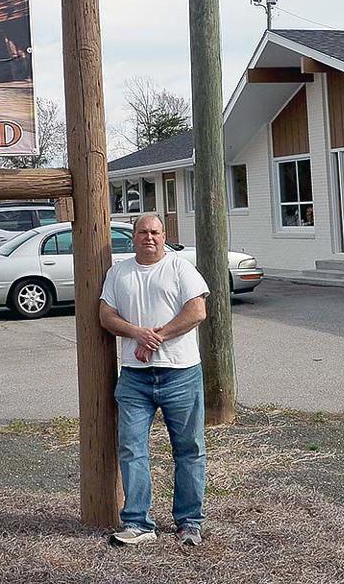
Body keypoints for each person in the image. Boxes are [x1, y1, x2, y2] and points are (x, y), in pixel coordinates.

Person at [99, 212, 210, 547]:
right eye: (143, 232)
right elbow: (106, 314)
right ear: (133, 236)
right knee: (132, 448)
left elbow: (197, 311)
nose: (149, 237)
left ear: (164, 236)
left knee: (189, 449)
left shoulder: (179, 268)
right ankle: (137, 523)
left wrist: (155, 338)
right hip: (134, 377)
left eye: (155, 232)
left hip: (181, 373)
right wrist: (136, 333)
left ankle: (189, 523)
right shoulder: (119, 272)